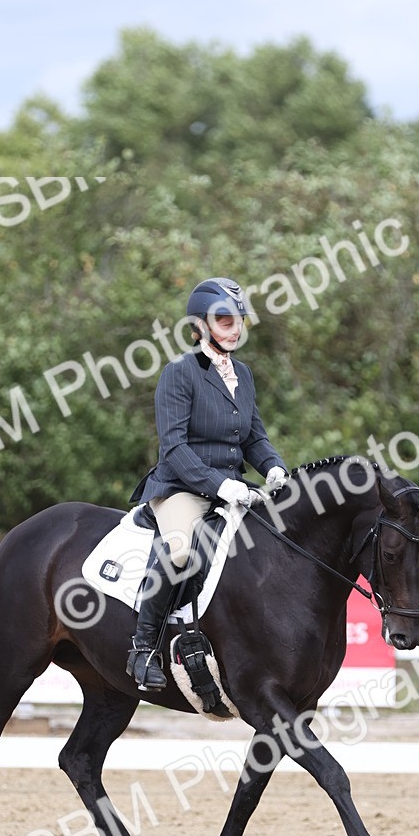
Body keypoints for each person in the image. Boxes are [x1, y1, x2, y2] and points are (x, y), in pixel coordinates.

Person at [126, 276, 289, 690]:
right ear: (200, 324)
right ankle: (142, 650)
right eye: (224, 319)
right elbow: (174, 448)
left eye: (238, 320)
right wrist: (221, 485)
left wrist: (273, 467)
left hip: (232, 488)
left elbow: (254, 437)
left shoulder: (244, 375)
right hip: (181, 490)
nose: (234, 328)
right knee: (178, 551)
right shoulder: (179, 373)